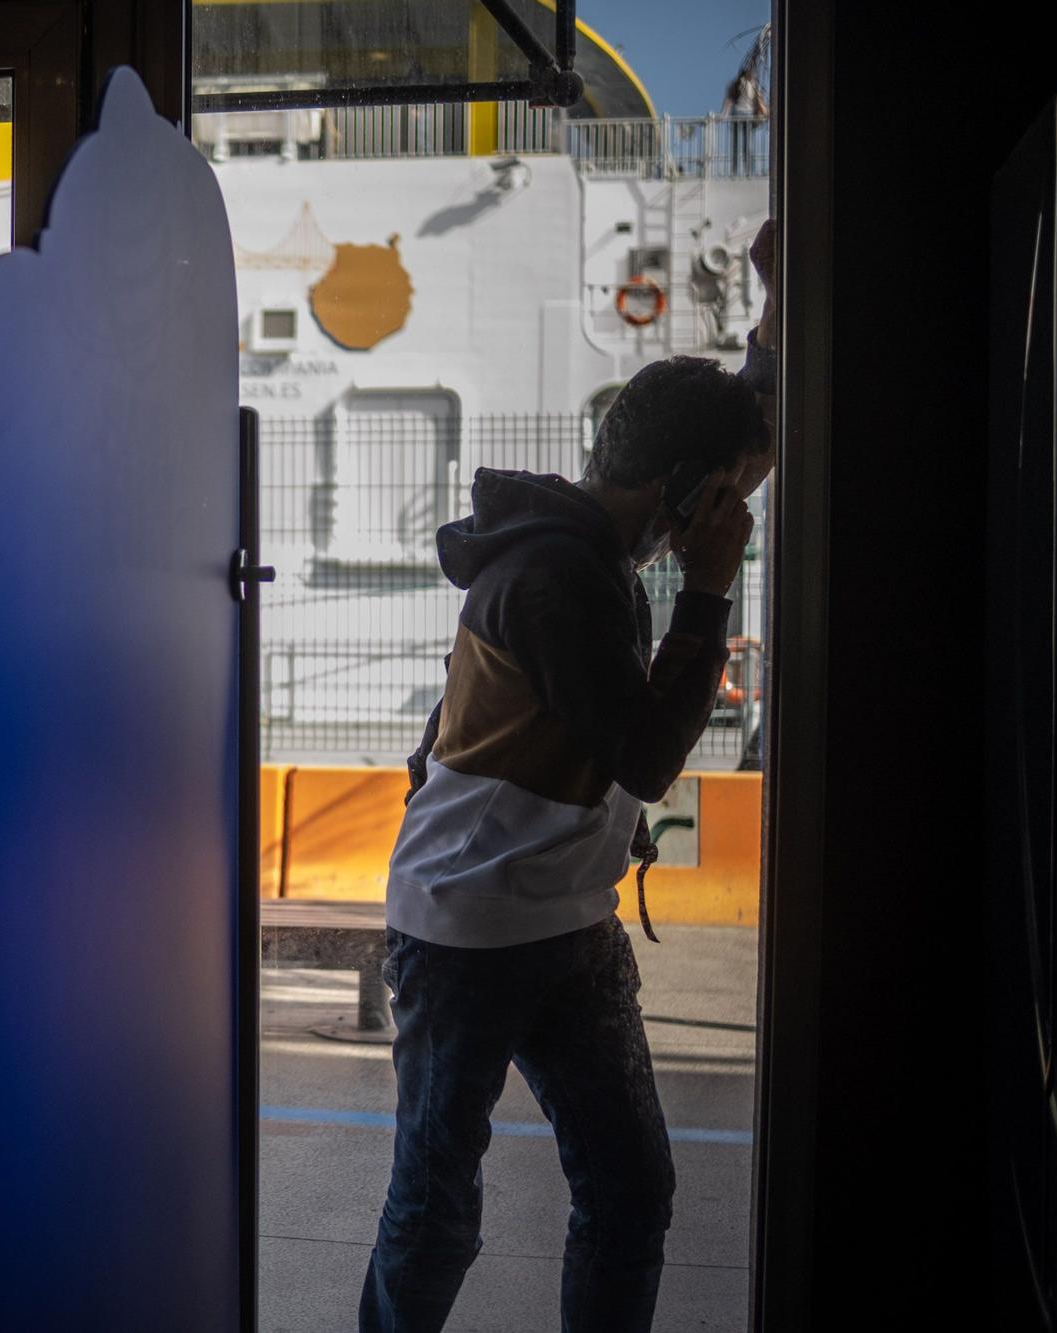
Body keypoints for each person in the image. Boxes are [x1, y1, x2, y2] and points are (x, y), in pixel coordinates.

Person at [358, 334, 776, 1327]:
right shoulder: (556, 575)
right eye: (721, 496)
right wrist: (711, 591)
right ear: (678, 487)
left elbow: (745, 439)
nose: (734, 511)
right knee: (434, 1209)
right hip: (465, 930)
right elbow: (641, 756)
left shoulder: (595, 549)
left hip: (562, 921)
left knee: (630, 1190)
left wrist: (770, 318)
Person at [722, 69, 768, 175]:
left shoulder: (736, 84)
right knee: (747, 145)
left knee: (735, 145)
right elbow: (759, 101)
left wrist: (724, 114)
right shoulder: (753, 85)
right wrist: (765, 113)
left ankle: (734, 171)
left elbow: (729, 99)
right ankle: (749, 171)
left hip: (736, 115)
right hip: (748, 116)